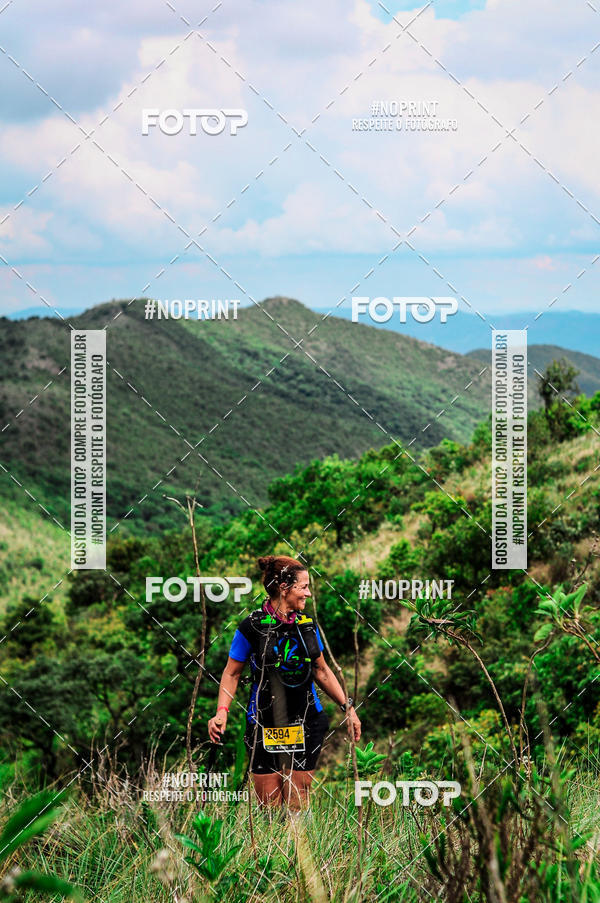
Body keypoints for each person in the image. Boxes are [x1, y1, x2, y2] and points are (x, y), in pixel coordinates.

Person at [208, 555, 361, 817]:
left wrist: (348, 708)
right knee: (269, 809)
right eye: (303, 587)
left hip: (307, 720)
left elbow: (321, 670)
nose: (309, 593)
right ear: (283, 588)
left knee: (297, 806)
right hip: (263, 721)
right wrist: (222, 710)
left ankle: (300, 857)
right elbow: (232, 673)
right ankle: (273, 856)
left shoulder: (307, 625)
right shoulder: (251, 627)